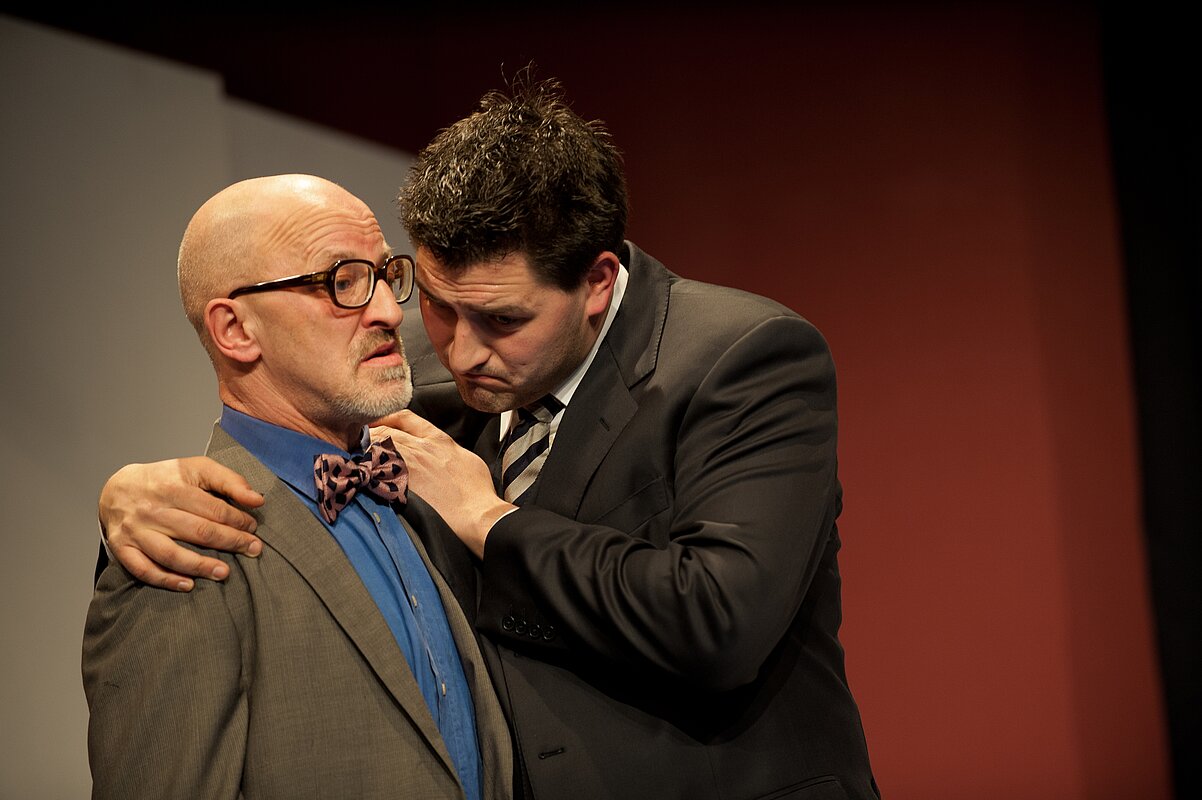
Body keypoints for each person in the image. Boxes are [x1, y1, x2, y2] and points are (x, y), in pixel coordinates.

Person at [98, 80, 879, 799]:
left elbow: (718, 622)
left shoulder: (743, 359)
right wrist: (129, 494)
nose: (459, 351)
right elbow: (279, 422)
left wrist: (489, 520)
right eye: (437, 304)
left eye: (503, 319)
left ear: (597, 283)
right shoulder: (412, 370)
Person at [83, 174, 512, 800]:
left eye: (385, 274)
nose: (390, 312)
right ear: (236, 330)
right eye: (341, 282)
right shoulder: (182, 550)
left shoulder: (435, 474)